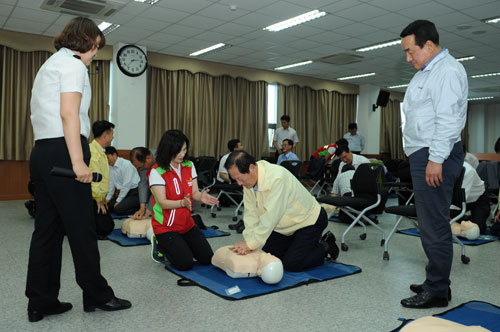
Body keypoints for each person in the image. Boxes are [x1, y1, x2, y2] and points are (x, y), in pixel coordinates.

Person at [26, 17, 131, 322]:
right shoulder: (72, 64)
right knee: (82, 229)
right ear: (83, 41)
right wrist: (77, 162)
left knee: (47, 231)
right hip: (64, 151)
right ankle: (97, 295)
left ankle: (40, 301)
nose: (95, 54)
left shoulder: (49, 64)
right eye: (95, 47)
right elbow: (69, 113)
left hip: (42, 153)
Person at [399, 20, 467, 309]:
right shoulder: (426, 72)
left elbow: (448, 119)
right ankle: (435, 282)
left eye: (410, 50)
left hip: (434, 153)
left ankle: (437, 290)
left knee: (433, 225)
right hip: (424, 153)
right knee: (429, 223)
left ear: (428, 45)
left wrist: (435, 159)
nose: (407, 57)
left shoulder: (448, 70)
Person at [225, 150, 339, 272]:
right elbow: (250, 214)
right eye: (235, 180)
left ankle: (326, 245)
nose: (239, 183)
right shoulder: (248, 183)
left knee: (290, 264)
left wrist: (251, 244)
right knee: (270, 257)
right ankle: (298, 246)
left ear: (252, 168)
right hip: (284, 227)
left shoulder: (276, 178)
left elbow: (271, 216)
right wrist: (248, 241)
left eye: (239, 178)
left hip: (309, 222)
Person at [148, 130, 219, 270]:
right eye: (178, 151)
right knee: (185, 264)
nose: (182, 154)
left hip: (187, 224)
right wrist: (181, 203)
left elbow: (195, 193)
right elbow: (162, 202)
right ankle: (160, 244)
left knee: (207, 259)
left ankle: (181, 244)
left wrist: (201, 196)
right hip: (165, 227)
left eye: (184, 149)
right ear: (168, 150)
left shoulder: (189, 165)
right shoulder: (157, 171)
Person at [89, 120, 115, 237]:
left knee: (108, 225)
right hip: (92, 197)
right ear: (105, 135)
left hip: (99, 197)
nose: (113, 137)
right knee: (105, 228)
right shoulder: (93, 153)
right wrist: (98, 199)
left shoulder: (100, 151)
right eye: (111, 134)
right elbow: (94, 179)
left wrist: (103, 198)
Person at [212, 246, 284, 284]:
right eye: (272, 256)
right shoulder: (261, 254)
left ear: (259, 272)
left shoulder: (239, 264)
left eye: (269, 257)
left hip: (223, 252)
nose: (269, 254)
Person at [105, 146, 140, 216]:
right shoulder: (110, 167)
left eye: (107, 158)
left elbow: (126, 185)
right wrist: (107, 199)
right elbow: (111, 185)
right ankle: (123, 204)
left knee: (118, 209)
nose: (107, 161)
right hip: (124, 193)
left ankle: (140, 208)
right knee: (105, 207)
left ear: (114, 155)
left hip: (135, 193)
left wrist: (118, 201)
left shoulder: (126, 165)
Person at [461, 162, 490, 234]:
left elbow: (462, 197)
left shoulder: (468, 170)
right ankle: (464, 218)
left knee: (477, 229)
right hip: (459, 200)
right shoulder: (441, 167)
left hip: (479, 198)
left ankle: (468, 218)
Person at [130, 147, 155, 220]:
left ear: (148, 158)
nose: (140, 169)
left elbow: (158, 188)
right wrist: (142, 208)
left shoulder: (162, 160)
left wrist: (149, 210)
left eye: (140, 166)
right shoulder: (143, 164)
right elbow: (143, 184)